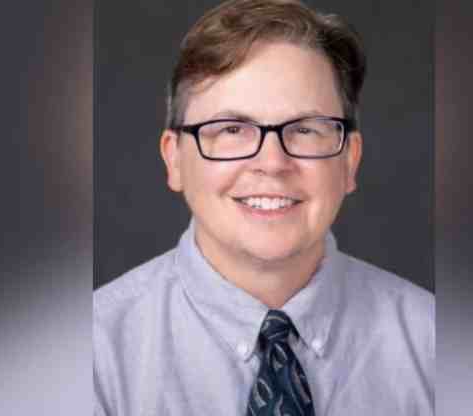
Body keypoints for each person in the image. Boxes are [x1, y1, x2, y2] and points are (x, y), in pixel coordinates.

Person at [93, 0, 434, 414]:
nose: (272, 164)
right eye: (232, 129)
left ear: (349, 160)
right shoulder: (92, 357)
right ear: (175, 159)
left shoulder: (436, 346)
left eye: (305, 129)